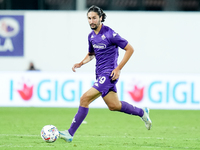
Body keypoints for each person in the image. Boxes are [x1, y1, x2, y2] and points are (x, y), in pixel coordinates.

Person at [59, 5, 152, 143]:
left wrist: (118, 68)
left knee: (84, 99)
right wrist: (81, 63)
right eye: (89, 18)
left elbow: (130, 49)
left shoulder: (110, 33)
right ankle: (142, 112)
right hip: (100, 74)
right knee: (114, 105)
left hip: (109, 74)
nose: (91, 21)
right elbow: (92, 54)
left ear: (101, 18)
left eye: (94, 18)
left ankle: (70, 133)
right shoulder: (91, 36)